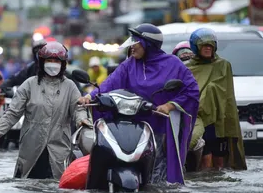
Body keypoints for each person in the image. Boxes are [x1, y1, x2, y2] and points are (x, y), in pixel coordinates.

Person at [79, 23, 200, 184]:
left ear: (148, 45)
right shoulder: (130, 64)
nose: (132, 47)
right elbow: (110, 83)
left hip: (161, 127)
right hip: (134, 125)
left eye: (136, 42)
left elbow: (192, 91)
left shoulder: (173, 64)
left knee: (159, 177)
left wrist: (169, 106)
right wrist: (89, 96)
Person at [0, 41, 92, 180]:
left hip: (58, 146)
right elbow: (13, 112)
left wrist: (82, 120)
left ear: (63, 64)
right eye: (49, 60)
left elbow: (78, 108)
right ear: (41, 62)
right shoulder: (29, 84)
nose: (52, 64)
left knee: (56, 185)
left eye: (56, 61)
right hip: (31, 144)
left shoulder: (70, 86)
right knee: (26, 185)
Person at [186, 28, 247, 171]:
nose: (208, 49)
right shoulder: (188, 68)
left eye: (210, 46)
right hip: (200, 117)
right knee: (205, 157)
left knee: (220, 159)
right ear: (196, 47)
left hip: (220, 118)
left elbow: (227, 93)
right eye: (204, 46)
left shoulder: (224, 65)